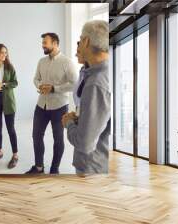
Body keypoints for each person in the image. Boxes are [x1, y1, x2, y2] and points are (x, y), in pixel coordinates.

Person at [62, 20, 111, 176]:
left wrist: (68, 122)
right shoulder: (93, 72)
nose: (77, 46)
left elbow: (84, 144)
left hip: (92, 168)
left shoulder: (96, 84)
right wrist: (79, 119)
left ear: (86, 41)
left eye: (80, 39)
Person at [25, 33, 77, 175]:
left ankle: (55, 169)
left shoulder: (67, 62)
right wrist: (41, 85)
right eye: (42, 42)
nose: (43, 45)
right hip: (41, 106)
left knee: (58, 139)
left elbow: (75, 83)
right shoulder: (41, 61)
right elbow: (36, 78)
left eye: (45, 42)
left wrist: (54, 88)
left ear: (55, 43)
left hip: (59, 107)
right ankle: (39, 167)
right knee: (36, 135)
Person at [73, 41, 89, 110]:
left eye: (78, 52)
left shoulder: (92, 74)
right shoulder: (82, 70)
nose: (76, 55)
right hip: (80, 111)